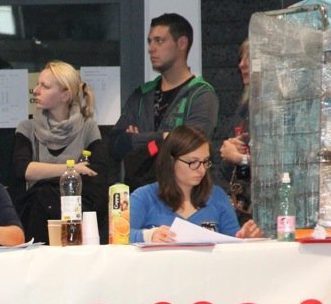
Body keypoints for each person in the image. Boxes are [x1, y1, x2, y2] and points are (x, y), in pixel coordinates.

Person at [110, 13, 219, 190]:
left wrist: (137, 140)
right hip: (138, 194)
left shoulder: (201, 95)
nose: (151, 48)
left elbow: (190, 148)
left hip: (181, 196)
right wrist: (162, 137)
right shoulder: (141, 95)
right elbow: (116, 144)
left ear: (181, 43)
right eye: (150, 41)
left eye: (159, 41)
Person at [12, 61, 109, 244]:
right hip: (36, 220)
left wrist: (43, 174)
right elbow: (23, 169)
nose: (36, 91)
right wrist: (72, 169)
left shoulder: (88, 128)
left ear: (65, 95)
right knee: (41, 197)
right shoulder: (27, 128)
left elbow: (96, 173)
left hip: (75, 221)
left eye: (45, 86)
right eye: (37, 84)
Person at [129, 125, 262, 244]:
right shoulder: (144, 197)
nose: (201, 170)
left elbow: (232, 240)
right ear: (171, 160)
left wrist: (244, 238)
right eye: (193, 162)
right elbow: (122, 235)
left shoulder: (217, 196)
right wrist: (148, 236)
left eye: (205, 162)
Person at [217, 39, 252, 225]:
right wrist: (229, 154)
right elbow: (227, 170)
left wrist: (240, 159)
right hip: (242, 210)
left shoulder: (280, 111)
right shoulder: (244, 109)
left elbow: (280, 169)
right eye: (241, 58)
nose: (242, 64)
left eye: (249, 58)